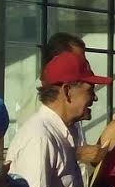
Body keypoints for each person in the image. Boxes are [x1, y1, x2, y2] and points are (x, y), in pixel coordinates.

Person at [8, 52, 110, 187]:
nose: (95, 98)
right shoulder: (40, 137)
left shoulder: (62, 131)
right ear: (67, 91)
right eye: (90, 90)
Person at [15, 32, 106, 172]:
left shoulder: (71, 107)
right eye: (78, 58)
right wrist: (79, 153)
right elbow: (37, 148)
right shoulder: (39, 101)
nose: (84, 62)